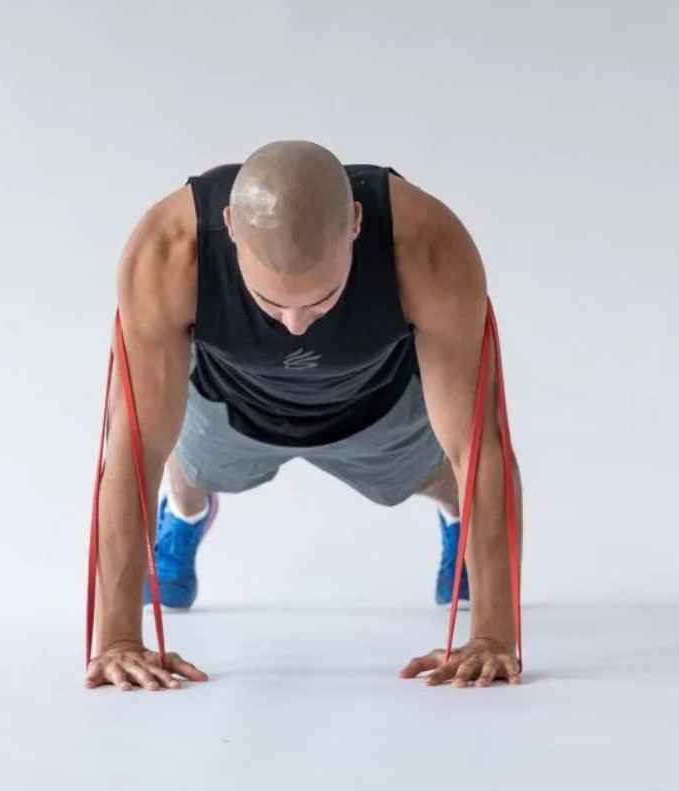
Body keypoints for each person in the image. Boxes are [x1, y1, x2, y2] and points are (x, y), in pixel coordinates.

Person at [84, 141, 522, 692]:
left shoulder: (425, 244)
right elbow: (133, 445)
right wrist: (119, 641)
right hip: (230, 405)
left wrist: (493, 637)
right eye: (272, 305)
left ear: (357, 224)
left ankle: (457, 527)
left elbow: (479, 444)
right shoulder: (167, 251)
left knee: (449, 480)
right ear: (230, 230)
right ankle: (188, 517)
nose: (295, 325)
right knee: (183, 472)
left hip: (375, 406)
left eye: (321, 300)